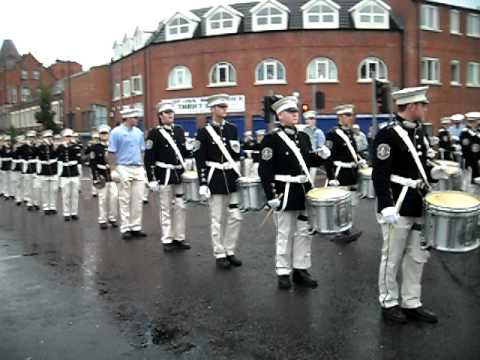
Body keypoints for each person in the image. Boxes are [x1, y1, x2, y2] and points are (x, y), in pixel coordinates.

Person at [372, 86, 448, 324]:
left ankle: (411, 301)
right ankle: (388, 301)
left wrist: (434, 173)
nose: (426, 109)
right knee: (392, 257)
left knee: (417, 256)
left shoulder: (419, 133)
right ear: (412, 106)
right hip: (398, 203)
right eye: (423, 105)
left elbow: (420, 167)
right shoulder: (387, 135)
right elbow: (380, 174)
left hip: (418, 203)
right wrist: (386, 205)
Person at [258, 96, 331, 289]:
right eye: (291, 112)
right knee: (285, 233)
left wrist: (320, 156)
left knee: (303, 232)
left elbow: (307, 162)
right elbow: (265, 170)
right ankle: (283, 271)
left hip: (303, 190)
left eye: (296, 111)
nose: (295, 115)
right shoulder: (271, 139)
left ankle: (301, 268)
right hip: (285, 191)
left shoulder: (304, 137)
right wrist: (271, 196)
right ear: (280, 115)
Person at [194, 94, 243, 269]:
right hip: (214, 177)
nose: (225, 110)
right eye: (221, 107)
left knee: (235, 216)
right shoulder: (203, 132)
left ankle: (230, 250)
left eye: (225, 107)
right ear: (213, 109)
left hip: (231, 177)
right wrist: (203, 182)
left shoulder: (232, 129)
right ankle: (219, 252)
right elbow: (199, 159)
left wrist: (240, 175)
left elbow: (236, 155)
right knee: (217, 218)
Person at [145, 100, 191, 252]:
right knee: (165, 208)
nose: (170, 115)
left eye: (172, 112)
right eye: (167, 112)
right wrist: (151, 179)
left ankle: (179, 237)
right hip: (163, 174)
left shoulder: (179, 130)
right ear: (160, 115)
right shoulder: (154, 133)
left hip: (178, 173)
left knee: (180, 206)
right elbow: (149, 158)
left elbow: (184, 152)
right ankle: (167, 238)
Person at [324, 104, 366, 243]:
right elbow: (327, 157)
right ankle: (338, 231)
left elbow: (353, 152)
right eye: (347, 115)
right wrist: (330, 177)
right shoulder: (332, 134)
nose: (350, 118)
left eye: (351, 115)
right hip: (340, 172)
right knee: (340, 204)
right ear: (340, 117)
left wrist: (360, 160)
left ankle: (347, 227)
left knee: (353, 203)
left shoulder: (350, 133)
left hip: (352, 172)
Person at [108, 107, 147, 239]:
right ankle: (125, 227)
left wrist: (144, 168)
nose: (137, 119)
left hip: (138, 167)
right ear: (128, 118)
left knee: (138, 198)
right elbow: (111, 152)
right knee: (125, 199)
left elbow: (142, 151)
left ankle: (136, 226)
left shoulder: (139, 132)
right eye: (135, 117)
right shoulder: (116, 132)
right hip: (123, 167)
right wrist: (113, 170)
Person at [89, 125, 118, 229]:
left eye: (106, 133)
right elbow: (93, 164)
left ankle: (112, 218)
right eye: (102, 133)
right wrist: (95, 177)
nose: (104, 135)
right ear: (99, 135)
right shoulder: (95, 148)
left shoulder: (114, 146)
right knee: (102, 199)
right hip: (102, 175)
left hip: (113, 176)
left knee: (114, 198)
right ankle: (102, 219)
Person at [57, 128, 83, 221]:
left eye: (70, 136)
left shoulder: (75, 146)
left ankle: (74, 212)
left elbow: (79, 149)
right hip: (64, 173)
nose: (68, 138)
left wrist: (72, 143)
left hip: (74, 172)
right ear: (64, 137)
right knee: (66, 194)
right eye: (67, 136)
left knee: (75, 194)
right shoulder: (60, 147)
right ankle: (66, 213)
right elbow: (57, 154)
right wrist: (64, 145)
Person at [37, 130, 59, 215]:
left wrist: (52, 146)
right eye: (47, 137)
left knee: (53, 190)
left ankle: (53, 207)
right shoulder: (40, 147)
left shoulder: (54, 146)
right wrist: (40, 144)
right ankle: (46, 207)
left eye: (50, 137)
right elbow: (37, 154)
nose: (49, 139)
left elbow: (57, 155)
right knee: (45, 190)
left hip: (53, 170)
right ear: (44, 138)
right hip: (45, 170)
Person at [302, 110, 326, 185]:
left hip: (313, 156)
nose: (311, 121)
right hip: (303, 156)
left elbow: (321, 145)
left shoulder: (319, 132)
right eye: (309, 119)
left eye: (313, 119)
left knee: (311, 178)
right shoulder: (302, 131)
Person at [460, 112, 480, 183]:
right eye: (471, 122)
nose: (473, 124)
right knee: (470, 181)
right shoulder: (465, 133)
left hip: (478, 160)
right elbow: (467, 147)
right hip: (470, 160)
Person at [21, 130, 38, 211]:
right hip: (27, 168)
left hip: (35, 167)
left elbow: (39, 154)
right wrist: (25, 146)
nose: (31, 139)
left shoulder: (36, 146)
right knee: (28, 186)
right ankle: (30, 203)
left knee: (36, 187)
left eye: (33, 137)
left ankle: (36, 202)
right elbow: (18, 154)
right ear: (27, 138)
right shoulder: (23, 147)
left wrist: (33, 146)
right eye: (30, 137)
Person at [11, 135, 25, 205]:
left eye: (22, 139)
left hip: (24, 166)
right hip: (17, 166)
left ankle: (25, 197)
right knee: (18, 183)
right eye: (20, 139)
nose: (21, 140)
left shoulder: (25, 147)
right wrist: (16, 148)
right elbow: (13, 156)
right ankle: (18, 198)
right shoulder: (14, 147)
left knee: (25, 183)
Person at [0, 135, 14, 200]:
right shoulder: (2, 147)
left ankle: (11, 193)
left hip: (10, 164)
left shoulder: (12, 147)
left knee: (11, 180)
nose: (8, 142)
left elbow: (13, 155)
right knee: (4, 180)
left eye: (8, 140)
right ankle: (6, 193)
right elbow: (2, 154)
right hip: (3, 165)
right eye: (6, 141)